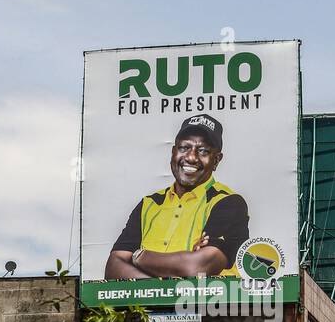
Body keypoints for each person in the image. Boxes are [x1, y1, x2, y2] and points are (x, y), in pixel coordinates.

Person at [104, 117, 250, 281]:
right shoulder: (149, 204)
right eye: (184, 147)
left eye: (203, 151)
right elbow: (113, 268)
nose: (191, 157)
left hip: (203, 305)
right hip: (147, 306)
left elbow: (197, 267)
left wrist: (138, 257)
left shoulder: (228, 203)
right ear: (173, 152)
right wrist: (158, 290)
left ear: (216, 160)